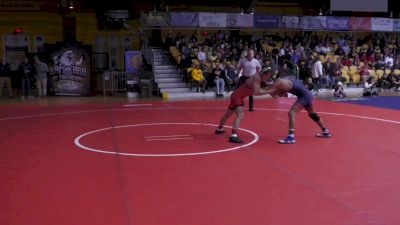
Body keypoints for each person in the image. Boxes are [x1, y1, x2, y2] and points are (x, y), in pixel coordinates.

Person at [215, 67, 274, 143]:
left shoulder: (261, 80)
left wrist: (272, 90)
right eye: (268, 75)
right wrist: (270, 91)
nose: (268, 77)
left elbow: (265, 89)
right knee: (240, 115)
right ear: (263, 74)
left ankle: (219, 129)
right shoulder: (257, 78)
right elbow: (256, 92)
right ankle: (233, 135)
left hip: (237, 95)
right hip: (238, 96)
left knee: (228, 114)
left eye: (270, 76)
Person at [265, 78, 331, 144]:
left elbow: (284, 95)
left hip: (304, 96)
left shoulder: (284, 84)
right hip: (308, 95)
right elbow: (285, 94)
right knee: (312, 114)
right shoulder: (289, 81)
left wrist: (275, 93)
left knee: (291, 113)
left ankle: (291, 137)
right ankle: (326, 131)